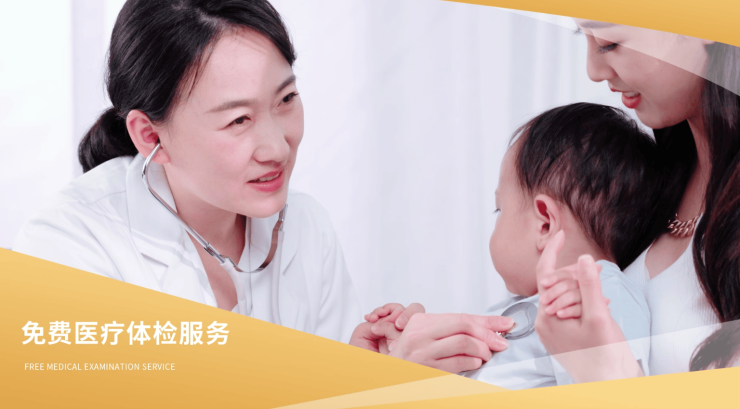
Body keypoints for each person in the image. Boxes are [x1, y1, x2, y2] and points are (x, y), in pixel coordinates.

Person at [13, 0, 360, 343]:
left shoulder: (307, 226)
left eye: (286, 98)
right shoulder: (65, 247)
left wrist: (363, 366)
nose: (279, 149)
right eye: (238, 120)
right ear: (151, 137)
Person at [534, 22, 740, 380]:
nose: (593, 71)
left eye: (609, 43)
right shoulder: (649, 182)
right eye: (584, 37)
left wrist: (605, 375)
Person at [462, 102, 660, 389]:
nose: (496, 220)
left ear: (545, 224)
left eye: (499, 209)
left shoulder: (605, 296)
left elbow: (620, 390)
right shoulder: (517, 306)